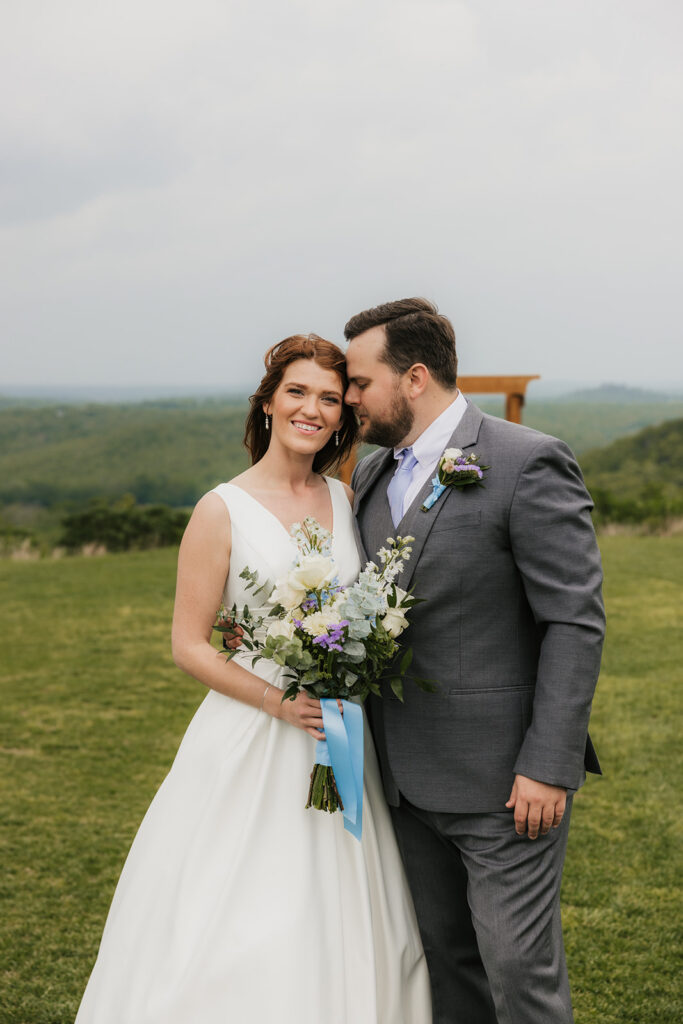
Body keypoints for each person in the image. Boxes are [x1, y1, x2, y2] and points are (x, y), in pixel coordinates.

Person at [75, 334, 432, 1024]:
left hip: (340, 736)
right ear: (267, 402)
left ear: (343, 415)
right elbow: (189, 645)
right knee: (241, 910)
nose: (312, 410)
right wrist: (279, 701)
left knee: (346, 907)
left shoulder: (346, 497)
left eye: (329, 398)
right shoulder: (221, 509)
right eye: (296, 392)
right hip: (254, 735)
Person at [344, 298, 605, 1024]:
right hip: (400, 780)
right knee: (446, 966)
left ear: (414, 377)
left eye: (361, 382)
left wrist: (548, 764)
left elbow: (573, 621)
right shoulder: (369, 475)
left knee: (518, 974)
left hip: (504, 784)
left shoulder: (527, 461)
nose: (350, 397)